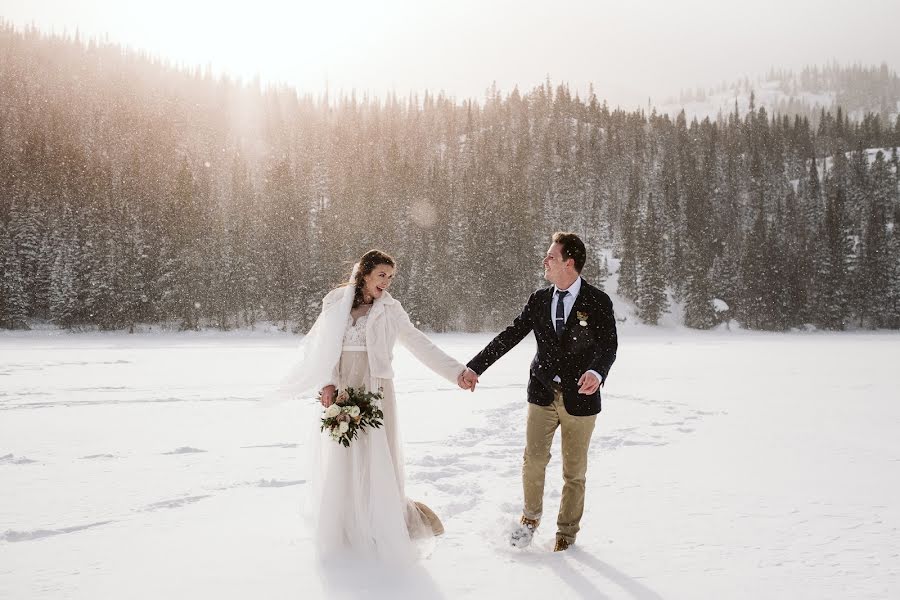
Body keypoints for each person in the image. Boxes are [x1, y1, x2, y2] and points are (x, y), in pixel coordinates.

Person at [277, 249, 473, 564]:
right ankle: (349, 523)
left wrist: (456, 372)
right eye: (382, 274)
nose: (387, 282)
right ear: (364, 273)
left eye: (391, 277)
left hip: (377, 392)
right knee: (345, 457)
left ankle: (381, 521)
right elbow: (322, 346)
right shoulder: (335, 302)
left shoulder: (391, 309)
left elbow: (419, 343)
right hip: (343, 391)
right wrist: (327, 383)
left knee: (378, 457)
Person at [460, 232, 617, 552]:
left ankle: (566, 535)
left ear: (568, 263)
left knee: (574, 472)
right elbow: (510, 335)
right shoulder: (540, 299)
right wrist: (476, 367)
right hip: (542, 393)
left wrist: (596, 372)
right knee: (532, 460)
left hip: (581, 399)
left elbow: (609, 345)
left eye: (550, 257)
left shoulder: (598, 301)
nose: (545, 261)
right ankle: (529, 520)